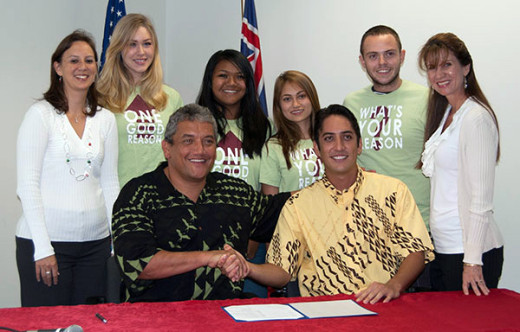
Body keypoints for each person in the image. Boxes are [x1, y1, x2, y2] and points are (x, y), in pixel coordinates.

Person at [244, 104, 434, 304]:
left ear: (359, 145)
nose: (339, 146)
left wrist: (394, 286)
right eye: (328, 139)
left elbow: (415, 252)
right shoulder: (298, 205)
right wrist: (248, 268)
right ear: (316, 148)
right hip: (323, 312)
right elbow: (282, 270)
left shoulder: (393, 191)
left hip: (383, 305)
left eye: (347, 137)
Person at [111, 104, 290, 302]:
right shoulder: (138, 194)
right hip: (155, 319)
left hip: (225, 318)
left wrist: (328, 181)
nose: (200, 150)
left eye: (208, 141)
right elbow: (138, 263)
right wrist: (211, 257)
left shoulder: (235, 192)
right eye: (188, 141)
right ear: (167, 148)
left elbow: (288, 208)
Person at [15, 30, 119, 307]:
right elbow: (27, 185)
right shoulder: (40, 116)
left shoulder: (106, 120)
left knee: (90, 325)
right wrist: (43, 249)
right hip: (48, 245)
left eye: (89, 60)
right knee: (50, 327)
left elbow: (110, 183)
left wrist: (115, 242)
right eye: (74, 60)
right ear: (58, 67)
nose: (83, 67)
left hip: (96, 247)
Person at [418, 33, 503, 296]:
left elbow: (480, 199)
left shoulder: (475, 118)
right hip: (444, 248)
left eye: (447, 65)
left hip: (469, 254)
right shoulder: (445, 113)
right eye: (432, 67)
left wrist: (473, 261)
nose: (439, 74)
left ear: (466, 67)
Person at [197, 49, 273, 297]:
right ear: (210, 81)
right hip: (201, 239)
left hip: (251, 241)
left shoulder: (264, 127)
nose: (231, 83)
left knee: (253, 314)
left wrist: (254, 236)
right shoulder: (195, 124)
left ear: (248, 84)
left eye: (239, 76)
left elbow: (267, 186)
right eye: (222, 75)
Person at [343, 25, 430, 228]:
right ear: (362, 61)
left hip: (418, 222)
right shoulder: (351, 103)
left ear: (402, 56)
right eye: (373, 56)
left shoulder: (428, 99)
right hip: (367, 223)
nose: (382, 63)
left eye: (389, 54)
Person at [98, 13, 183, 187]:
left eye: (147, 44)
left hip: (163, 199)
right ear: (119, 48)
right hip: (118, 197)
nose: (141, 52)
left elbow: (180, 152)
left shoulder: (171, 97)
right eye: (132, 44)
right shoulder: (101, 98)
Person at [260, 70, 324, 195]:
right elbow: (271, 204)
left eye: (301, 96)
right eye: (287, 99)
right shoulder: (273, 147)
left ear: (312, 98)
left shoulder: (329, 139)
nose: (295, 104)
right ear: (279, 105)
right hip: (292, 214)